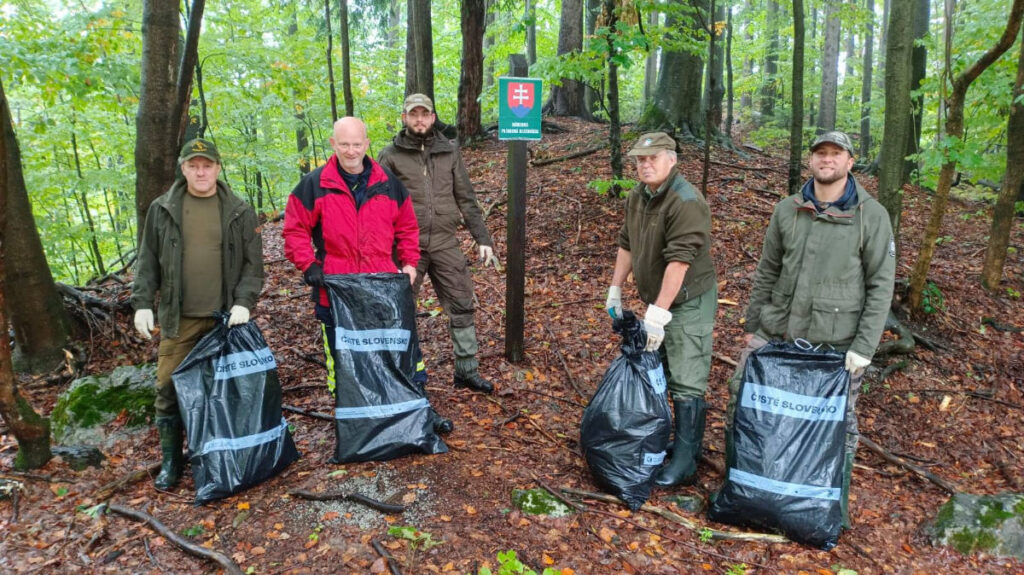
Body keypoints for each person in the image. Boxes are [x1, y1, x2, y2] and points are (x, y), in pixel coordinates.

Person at [731, 130, 896, 527]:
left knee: (838, 425)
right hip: (777, 332)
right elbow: (767, 271)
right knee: (744, 401)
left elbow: (880, 284)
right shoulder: (787, 209)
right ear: (811, 160)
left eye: (835, 154)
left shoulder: (870, 215)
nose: (827, 159)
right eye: (820, 153)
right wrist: (754, 326)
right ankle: (747, 492)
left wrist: (864, 347)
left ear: (850, 162)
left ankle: (830, 508)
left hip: (835, 344)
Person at [132, 138, 265, 489]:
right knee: (166, 386)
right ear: (184, 168)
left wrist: (244, 302)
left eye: (207, 165)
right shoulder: (163, 210)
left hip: (226, 320)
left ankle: (228, 456)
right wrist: (142, 303)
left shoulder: (239, 210)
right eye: (194, 165)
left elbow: (254, 265)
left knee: (228, 390)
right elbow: (146, 263)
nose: (201, 171)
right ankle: (172, 462)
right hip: (180, 319)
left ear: (218, 168)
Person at [605, 132, 718, 487]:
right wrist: (615, 288)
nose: (645, 164)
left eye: (653, 158)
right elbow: (627, 242)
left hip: (688, 300)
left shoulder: (685, 201)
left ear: (672, 160)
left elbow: (679, 262)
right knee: (663, 369)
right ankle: (676, 443)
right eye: (640, 159)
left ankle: (687, 459)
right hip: (660, 298)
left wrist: (658, 314)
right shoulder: (639, 195)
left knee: (686, 376)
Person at [283, 116, 420, 392]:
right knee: (343, 357)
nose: (351, 151)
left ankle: (402, 404)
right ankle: (348, 414)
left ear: (367, 144)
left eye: (357, 144)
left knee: (388, 350)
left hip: (380, 284)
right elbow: (294, 228)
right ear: (333, 143)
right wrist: (308, 264)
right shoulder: (314, 184)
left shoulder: (388, 183)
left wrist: (409, 262)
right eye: (344, 144)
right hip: (335, 287)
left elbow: (407, 226)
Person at [377, 94, 497, 394]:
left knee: (461, 302)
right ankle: (401, 376)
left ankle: (466, 371)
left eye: (425, 114)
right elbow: (378, 206)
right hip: (406, 246)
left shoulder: (449, 151)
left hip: (445, 241)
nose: (419, 119)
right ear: (404, 118)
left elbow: (466, 198)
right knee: (399, 309)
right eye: (413, 114)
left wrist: (482, 238)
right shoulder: (389, 155)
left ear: (432, 117)